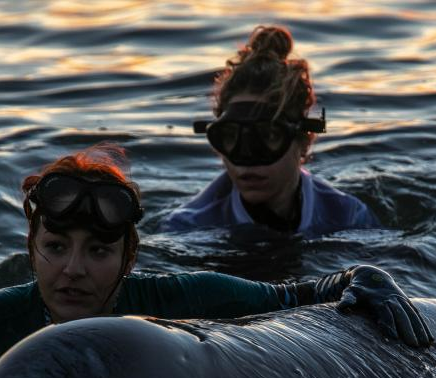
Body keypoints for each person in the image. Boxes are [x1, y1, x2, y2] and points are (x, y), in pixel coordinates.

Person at [0, 146, 431, 378]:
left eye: (99, 252)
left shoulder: (178, 302)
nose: (72, 270)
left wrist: (363, 276)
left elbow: (296, 296)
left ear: (129, 258)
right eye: (56, 247)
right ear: (31, 248)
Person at [160, 25, 382, 237]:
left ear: (304, 142)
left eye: (269, 136)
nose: (246, 160)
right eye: (230, 137)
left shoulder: (349, 218)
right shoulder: (189, 227)